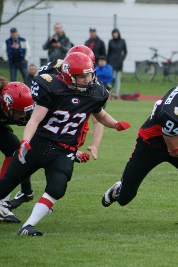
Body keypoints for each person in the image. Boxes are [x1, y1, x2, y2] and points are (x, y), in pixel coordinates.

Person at [0, 52, 131, 236]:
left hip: (63, 150)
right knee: (7, 183)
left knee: (57, 187)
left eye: (89, 74)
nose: (87, 79)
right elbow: (35, 120)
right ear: (69, 75)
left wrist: (115, 124)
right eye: (82, 76)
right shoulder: (52, 87)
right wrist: (25, 140)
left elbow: (99, 114)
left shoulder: (95, 93)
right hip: (39, 143)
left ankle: (27, 226)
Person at [101, 74, 178, 227]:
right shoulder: (174, 114)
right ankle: (117, 189)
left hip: (177, 138)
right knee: (125, 198)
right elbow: (174, 150)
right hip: (151, 146)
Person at [0, 80, 35, 223]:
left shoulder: (25, 106)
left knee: (17, 152)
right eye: (19, 112)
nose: (23, 115)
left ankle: (3, 202)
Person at [107, 28, 127, 99]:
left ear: (118, 33)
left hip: (119, 62)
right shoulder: (110, 41)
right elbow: (108, 52)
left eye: (116, 33)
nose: (115, 34)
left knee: (118, 78)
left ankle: (116, 93)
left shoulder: (122, 41)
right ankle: (110, 92)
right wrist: (108, 62)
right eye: (114, 33)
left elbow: (125, 51)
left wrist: (122, 59)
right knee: (112, 78)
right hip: (111, 62)